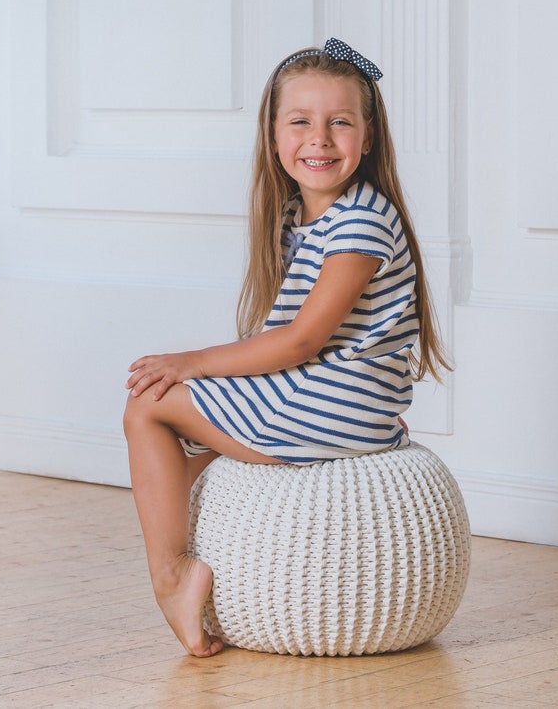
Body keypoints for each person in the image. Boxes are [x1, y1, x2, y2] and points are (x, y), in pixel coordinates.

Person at [123, 38, 451, 657]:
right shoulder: (304, 217)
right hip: (340, 399)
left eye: (340, 123)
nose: (319, 140)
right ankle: (208, 572)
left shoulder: (359, 222)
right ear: (273, 136)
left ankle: (172, 578)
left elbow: (302, 340)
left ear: (370, 136)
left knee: (149, 408)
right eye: (300, 122)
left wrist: (190, 362)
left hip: (332, 402)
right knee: (187, 467)